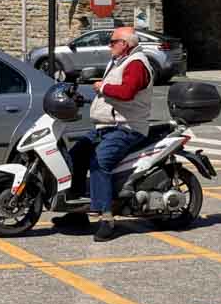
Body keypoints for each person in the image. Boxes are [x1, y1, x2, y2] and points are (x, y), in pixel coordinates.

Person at [53, 26, 153, 242]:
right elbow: (110, 97)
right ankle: (78, 212)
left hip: (127, 127)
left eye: (112, 41)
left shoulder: (136, 63)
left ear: (125, 44)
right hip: (106, 127)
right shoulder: (119, 61)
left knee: (100, 162)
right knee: (76, 156)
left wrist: (102, 89)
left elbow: (126, 93)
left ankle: (107, 219)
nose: (109, 45)